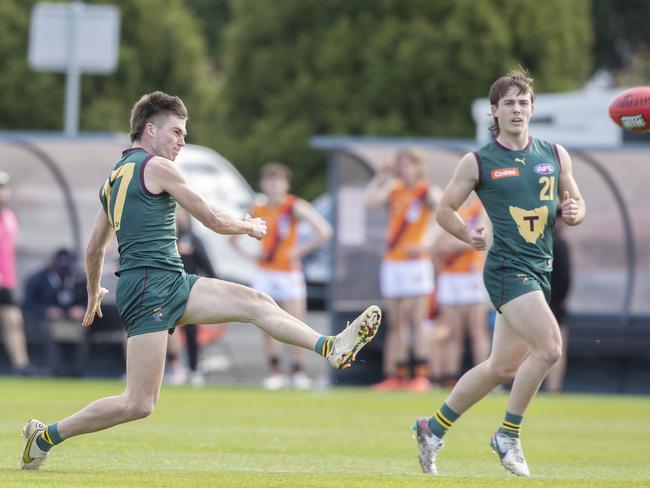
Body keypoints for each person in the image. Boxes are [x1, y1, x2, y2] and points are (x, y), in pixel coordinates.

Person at [21, 91, 381, 470]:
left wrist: (94, 291)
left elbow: (94, 249)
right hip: (148, 287)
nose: (181, 140)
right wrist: (248, 224)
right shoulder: (156, 167)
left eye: (183, 134)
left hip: (167, 281)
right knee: (138, 403)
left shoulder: (114, 177)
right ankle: (44, 437)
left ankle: (331, 347)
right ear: (149, 129)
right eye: (176, 131)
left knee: (255, 302)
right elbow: (209, 217)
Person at [412, 68, 586, 477]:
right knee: (549, 348)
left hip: (540, 268)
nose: (517, 109)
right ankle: (508, 434)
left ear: (532, 109)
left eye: (523, 102)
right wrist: (465, 233)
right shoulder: (478, 161)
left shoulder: (556, 154)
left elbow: (575, 205)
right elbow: (443, 210)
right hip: (507, 268)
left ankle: (431, 427)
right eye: (508, 103)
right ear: (495, 110)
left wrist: (576, 212)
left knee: (501, 367)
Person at [230, 162, 333, 390]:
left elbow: (324, 230)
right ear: (263, 184)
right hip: (266, 271)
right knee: (265, 320)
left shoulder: (294, 206)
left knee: (296, 320)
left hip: (289, 272)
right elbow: (234, 235)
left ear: (286, 184)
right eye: (270, 180)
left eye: (278, 180)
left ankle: (297, 370)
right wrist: (249, 256)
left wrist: (301, 251)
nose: (274, 185)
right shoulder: (258, 207)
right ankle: (275, 369)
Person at [365, 149, 440, 392]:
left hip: (416, 263)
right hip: (393, 262)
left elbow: (446, 216)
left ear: (418, 167)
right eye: (402, 165)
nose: (405, 169)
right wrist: (381, 176)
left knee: (416, 320)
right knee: (395, 321)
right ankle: (395, 374)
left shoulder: (427, 190)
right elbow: (369, 201)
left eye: (409, 164)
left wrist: (427, 243)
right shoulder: (394, 188)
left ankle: (420, 374)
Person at [433, 197, 490, 387]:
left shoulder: (479, 209)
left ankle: (485, 379)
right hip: (450, 277)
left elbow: (481, 239)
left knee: (476, 330)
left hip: (471, 276)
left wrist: (455, 244)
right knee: (452, 332)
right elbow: (438, 245)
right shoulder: (450, 210)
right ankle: (451, 377)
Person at [164, 206, 218, 386]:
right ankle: (174, 367)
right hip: (165, 292)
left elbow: (207, 267)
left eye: (180, 213)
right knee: (167, 331)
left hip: (188, 292)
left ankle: (194, 369)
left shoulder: (193, 240)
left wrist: (215, 289)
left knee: (191, 332)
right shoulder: (161, 241)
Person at [23, 249, 87, 376]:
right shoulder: (38, 279)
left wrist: (82, 309)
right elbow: (28, 303)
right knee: (49, 331)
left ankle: (76, 371)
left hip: (73, 321)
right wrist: (45, 311)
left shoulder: (79, 278)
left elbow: (90, 299)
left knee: (83, 331)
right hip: (46, 321)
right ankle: (55, 370)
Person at [0, 171, 34, 375]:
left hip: (7, 281)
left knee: (14, 321)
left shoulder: (9, 217)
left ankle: (22, 365)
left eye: (4, 188)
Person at [544, 210, 572, 392]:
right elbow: (565, 277)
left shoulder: (538, 242)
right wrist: (561, 299)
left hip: (536, 299)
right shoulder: (560, 244)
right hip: (554, 303)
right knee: (557, 348)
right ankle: (553, 388)